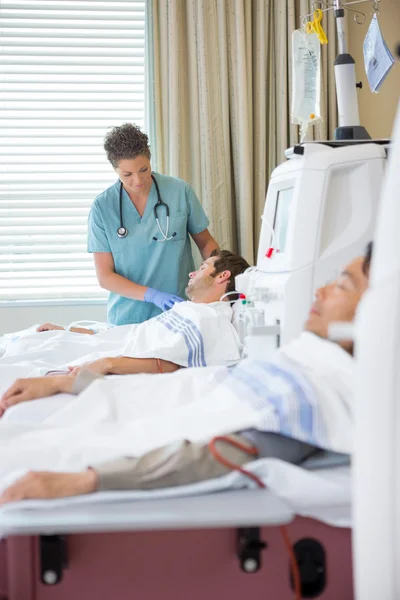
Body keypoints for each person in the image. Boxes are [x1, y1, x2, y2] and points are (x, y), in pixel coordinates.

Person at [0, 244, 372, 504]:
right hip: (138, 407)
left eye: (341, 285)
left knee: (22, 447)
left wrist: (86, 480)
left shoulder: (320, 388)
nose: (319, 290)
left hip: (125, 445)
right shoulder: (308, 358)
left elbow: (221, 454)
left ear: (379, 310)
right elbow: (185, 386)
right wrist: (69, 381)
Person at [0, 250, 250, 406]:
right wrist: (73, 331)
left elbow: (170, 364)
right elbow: (140, 336)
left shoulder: (207, 319)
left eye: (204, 267)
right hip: (109, 343)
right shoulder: (189, 310)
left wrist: (107, 363)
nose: (192, 273)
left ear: (222, 276)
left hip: (109, 357)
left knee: (19, 366)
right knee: (31, 341)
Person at [88, 122, 219, 326]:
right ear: (115, 169)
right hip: (128, 318)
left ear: (150, 158)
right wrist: (152, 295)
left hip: (178, 312)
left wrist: (219, 272)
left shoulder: (179, 191)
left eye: (143, 169)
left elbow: (205, 243)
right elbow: (105, 276)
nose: (138, 180)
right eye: (127, 175)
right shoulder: (103, 207)